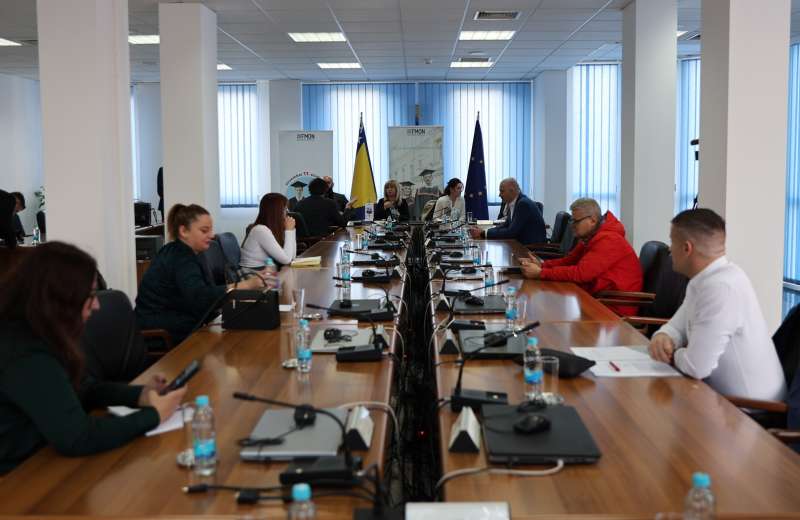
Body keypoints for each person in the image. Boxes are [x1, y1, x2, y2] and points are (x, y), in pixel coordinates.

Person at [0, 241, 186, 474]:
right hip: (18, 479)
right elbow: (77, 437)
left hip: (47, 458)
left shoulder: (46, 331)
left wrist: (141, 395)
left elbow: (85, 389)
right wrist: (155, 415)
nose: (97, 304)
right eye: (90, 295)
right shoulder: (24, 352)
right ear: (61, 299)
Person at [648, 209, 786, 401]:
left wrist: (672, 352)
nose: (669, 250)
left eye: (672, 242)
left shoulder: (721, 287)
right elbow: (676, 326)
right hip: (718, 398)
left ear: (687, 248)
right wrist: (663, 336)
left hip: (751, 411)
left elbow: (696, 367)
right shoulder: (704, 279)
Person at [135, 203, 267, 345]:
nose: (211, 235)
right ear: (184, 231)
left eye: (210, 230)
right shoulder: (179, 257)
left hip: (176, 323)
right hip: (161, 332)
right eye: (204, 231)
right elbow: (201, 297)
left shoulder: (189, 253)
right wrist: (246, 285)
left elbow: (205, 294)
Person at [518, 197, 642, 315]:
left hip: (613, 308)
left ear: (592, 220)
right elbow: (570, 260)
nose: (572, 225)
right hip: (597, 298)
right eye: (572, 220)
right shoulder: (591, 236)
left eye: (576, 221)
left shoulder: (609, 240)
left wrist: (541, 273)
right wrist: (542, 265)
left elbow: (580, 273)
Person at [468, 178, 546, 244]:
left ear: (512, 191)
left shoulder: (523, 204)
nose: (499, 195)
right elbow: (506, 225)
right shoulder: (514, 202)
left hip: (531, 248)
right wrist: (484, 231)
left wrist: (483, 233)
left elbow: (511, 232)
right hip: (520, 244)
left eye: (502, 191)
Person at [240, 193, 297, 267]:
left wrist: (292, 230)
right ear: (276, 211)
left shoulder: (270, 229)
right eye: (285, 209)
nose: (287, 212)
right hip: (253, 272)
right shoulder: (260, 230)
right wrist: (289, 230)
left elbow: (292, 257)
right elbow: (286, 260)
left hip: (265, 270)